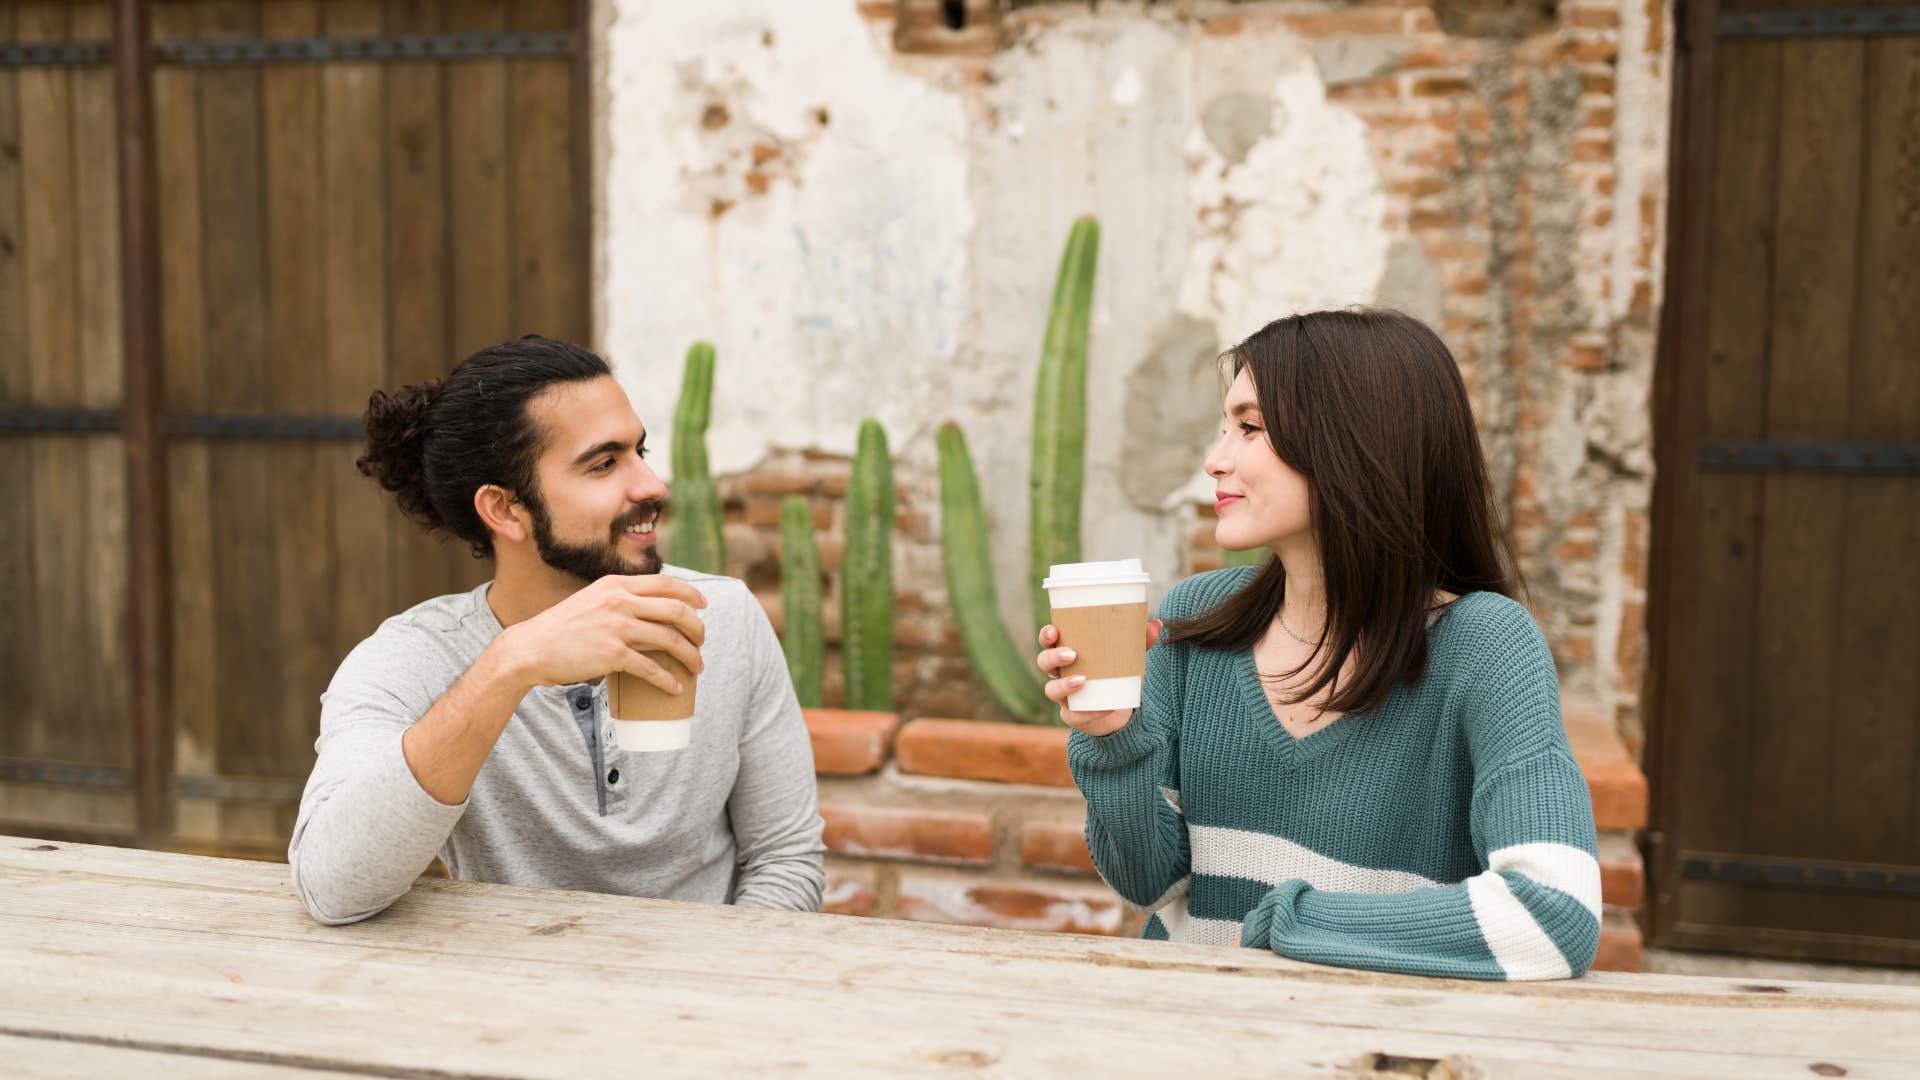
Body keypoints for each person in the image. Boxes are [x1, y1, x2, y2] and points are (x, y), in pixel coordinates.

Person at [1037, 309, 1599, 980]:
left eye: (1250, 428)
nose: (1216, 460)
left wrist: (1291, 924)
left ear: (1353, 441)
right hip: (1184, 1023)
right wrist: (1112, 740)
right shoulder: (1196, 619)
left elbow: (1553, 917)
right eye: (1225, 428)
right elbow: (1150, 885)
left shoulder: (1486, 647)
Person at [289, 335, 825, 924]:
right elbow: (333, 888)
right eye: (604, 464)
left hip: (710, 975)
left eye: (640, 451)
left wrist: (708, 973)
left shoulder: (722, 616)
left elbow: (786, 859)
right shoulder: (411, 659)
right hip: (512, 978)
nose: (652, 485)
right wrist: (510, 665)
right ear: (505, 509)